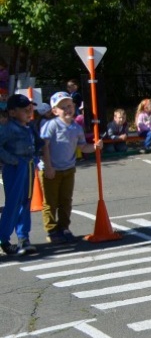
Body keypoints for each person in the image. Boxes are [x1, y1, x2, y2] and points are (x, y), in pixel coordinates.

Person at [40, 92, 100, 244]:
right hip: (51, 170)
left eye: (69, 106)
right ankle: (51, 230)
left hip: (68, 169)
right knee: (51, 202)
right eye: (62, 107)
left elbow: (82, 146)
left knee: (66, 200)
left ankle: (64, 227)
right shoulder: (51, 125)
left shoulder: (76, 128)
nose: (67, 109)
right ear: (55, 111)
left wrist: (94, 147)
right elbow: (44, 147)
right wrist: (48, 167)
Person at [0, 94, 39, 255]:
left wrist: (35, 159)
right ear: (12, 112)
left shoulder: (29, 127)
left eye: (30, 108)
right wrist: (13, 160)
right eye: (24, 109)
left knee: (26, 201)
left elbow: (37, 144)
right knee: (14, 203)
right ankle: (3, 238)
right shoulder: (8, 128)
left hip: (27, 166)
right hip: (14, 168)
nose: (29, 112)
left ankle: (23, 237)